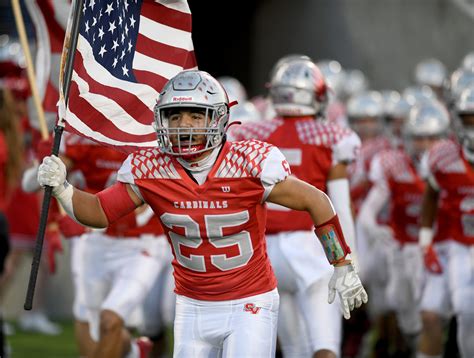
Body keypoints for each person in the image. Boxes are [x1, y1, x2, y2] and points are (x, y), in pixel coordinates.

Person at [37, 70, 368, 357]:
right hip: (192, 305)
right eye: (175, 115)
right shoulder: (151, 167)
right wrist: (64, 189)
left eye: (196, 115)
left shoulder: (249, 161)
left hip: (249, 302)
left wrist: (342, 263)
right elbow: (99, 212)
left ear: (219, 118)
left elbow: (318, 201)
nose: (184, 125)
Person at [231, 57, 360, 358]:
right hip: (310, 247)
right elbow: (339, 205)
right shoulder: (331, 137)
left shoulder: (250, 134)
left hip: (263, 251)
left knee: (294, 350)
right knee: (324, 347)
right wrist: (349, 259)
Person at [358, 101, 450, 356]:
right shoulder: (393, 163)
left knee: (438, 312)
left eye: (431, 138)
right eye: (418, 138)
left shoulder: (453, 165)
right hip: (402, 250)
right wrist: (375, 228)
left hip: (437, 250)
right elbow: (368, 211)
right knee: (402, 309)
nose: (424, 145)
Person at [417, 87, 474, 358]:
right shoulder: (443, 154)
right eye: (468, 118)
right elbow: (430, 195)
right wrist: (425, 243)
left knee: (466, 312)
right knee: (431, 315)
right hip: (451, 244)